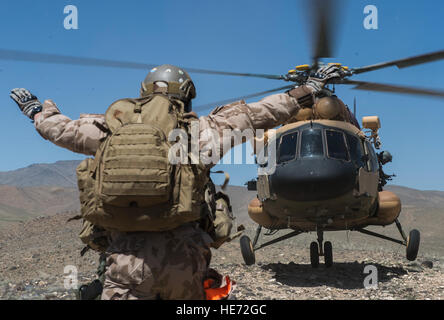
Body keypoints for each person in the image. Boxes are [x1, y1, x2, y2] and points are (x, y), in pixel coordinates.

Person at [10, 64, 343, 300]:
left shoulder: (109, 130)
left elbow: (60, 130)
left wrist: (36, 110)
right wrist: (307, 90)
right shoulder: (201, 130)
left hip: (123, 260)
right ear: (185, 95)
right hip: (184, 259)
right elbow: (260, 113)